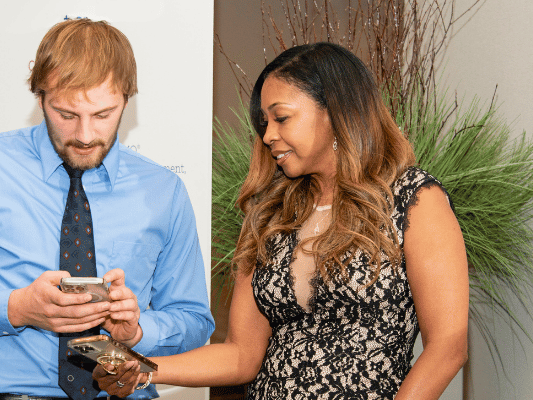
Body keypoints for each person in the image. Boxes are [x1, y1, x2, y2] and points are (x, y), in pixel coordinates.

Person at [94, 42, 469, 399]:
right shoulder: (271, 214)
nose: (269, 134)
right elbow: (241, 355)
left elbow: (448, 347)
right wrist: (142, 367)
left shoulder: (414, 200)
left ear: (336, 112)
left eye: (282, 117)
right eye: (264, 122)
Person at [0, 18, 214, 400]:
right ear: (40, 97)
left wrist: (138, 331)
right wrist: (16, 308)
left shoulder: (163, 191)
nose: (85, 135)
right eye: (66, 114)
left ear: (127, 98)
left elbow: (194, 322)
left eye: (104, 115)